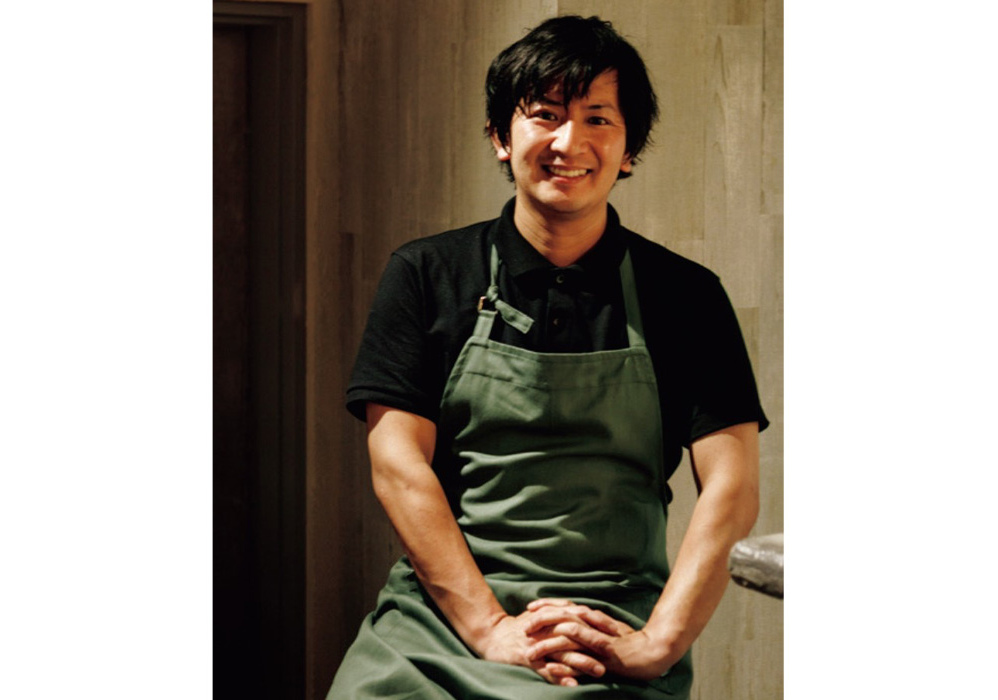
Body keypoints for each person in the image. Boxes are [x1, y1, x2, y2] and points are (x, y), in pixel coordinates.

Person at [328, 15, 768, 699]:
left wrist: (659, 642)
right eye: (545, 115)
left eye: (598, 119)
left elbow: (732, 487)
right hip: (441, 619)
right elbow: (398, 464)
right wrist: (489, 629)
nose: (570, 142)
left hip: (607, 619)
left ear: (628, 149)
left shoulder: (686, 295)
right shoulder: (426, 273)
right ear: (501, 137)